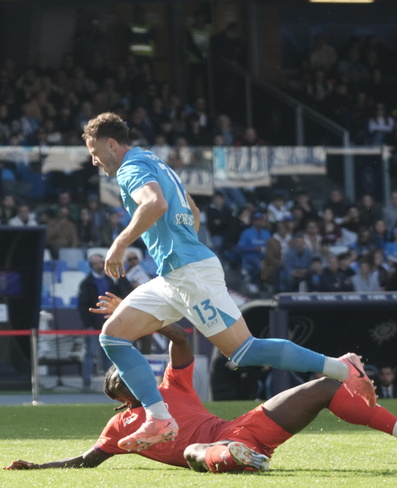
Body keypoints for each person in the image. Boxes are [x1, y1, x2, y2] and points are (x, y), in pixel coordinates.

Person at [81, 112, 376, 452]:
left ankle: (341, 367)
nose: (94, 160)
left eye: (94, 150)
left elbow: (156, 203)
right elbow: (191, 210)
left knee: (244, 350)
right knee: (114, 336)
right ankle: (158, 417)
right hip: (176, 274)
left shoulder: (131, 168)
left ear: (112, 144)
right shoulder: (151, 159)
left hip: (189, 273)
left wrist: (119, 243)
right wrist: (178, 242)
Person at [5, 293, 397, 473]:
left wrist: (130, 314)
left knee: (326, 387)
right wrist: (36, 467)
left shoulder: (170, 388)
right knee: (194, 452)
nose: (132, 367)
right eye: (124, 370)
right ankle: (238, 459)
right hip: (219, 446)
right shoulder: (122, 427)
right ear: (118, 394)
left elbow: (179, 335)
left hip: (243, 426)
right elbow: (87, 461)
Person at [77, 254, 129, 390]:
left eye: (101, 262)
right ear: (91, 265)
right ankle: (86, 382)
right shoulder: (86, 283)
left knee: (108, 353)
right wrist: (88, 324)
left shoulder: (109, 281)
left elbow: (120, 295)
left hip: (108, 322)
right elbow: (83, 306)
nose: (99, 265)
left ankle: (110, 383)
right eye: (96, 263)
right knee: (90, 353)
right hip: (93, 325)